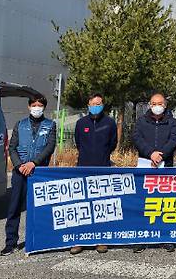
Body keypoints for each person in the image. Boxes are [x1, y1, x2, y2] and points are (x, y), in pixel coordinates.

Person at [1, 94, 55, 256]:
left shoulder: (50, 125)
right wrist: (20, 165)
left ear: (44, 107)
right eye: (34, 105)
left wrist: (34, 163)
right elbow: (12, 147)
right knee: (14, 208)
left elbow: (49, 147)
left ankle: (38, 240)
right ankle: (10, 242)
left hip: (39, 172)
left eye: (40, 105)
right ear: (29, 106)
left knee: (39, 208)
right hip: (20, 172)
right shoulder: (20, 125)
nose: (37, 108)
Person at [132, 92, 176, 253]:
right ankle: (142, 237)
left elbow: (174, 140)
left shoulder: (172, 122)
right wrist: (151, 153)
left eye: (159, 103)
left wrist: (161, 155)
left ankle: (165, 237)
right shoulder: (141, 121)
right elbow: (137, 138)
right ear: (149, 105)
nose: (156, 106)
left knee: (165, 202)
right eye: (153, 103)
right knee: (144, 201)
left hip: (165, 166)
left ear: (165, 106)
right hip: (145, 164)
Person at [70, 93, 118, 255]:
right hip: (83, 168)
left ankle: (101, 240)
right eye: (93, 103)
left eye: (99, 103)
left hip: (103, 169)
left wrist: (103, 156)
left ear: (103, 104)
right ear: (88, 105)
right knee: (83, 205)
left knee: (101, 205)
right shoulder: (81, 123)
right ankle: (80, 240)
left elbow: (113, 143)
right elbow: (78, 143)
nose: (96, 105)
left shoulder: (110, 123)